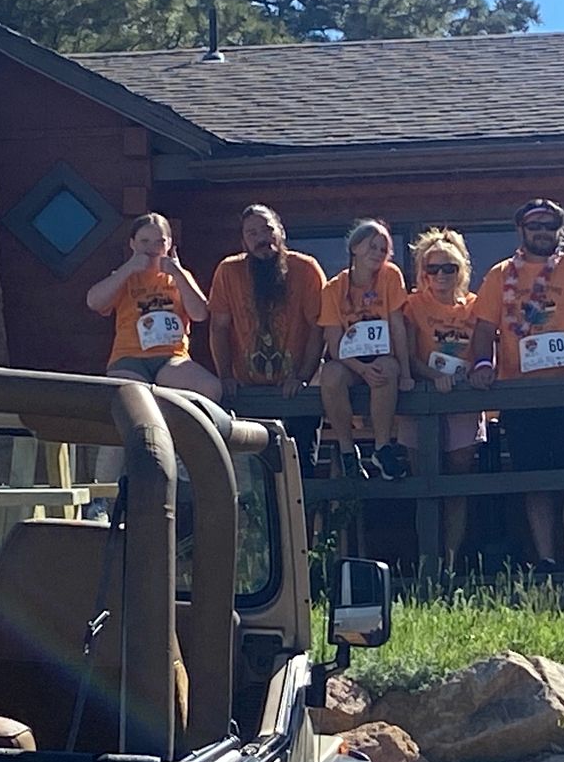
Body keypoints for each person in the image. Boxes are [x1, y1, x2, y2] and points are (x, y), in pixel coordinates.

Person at [469, 198, 564, 570]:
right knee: (535, 484)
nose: (543, 232)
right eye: (536, 226)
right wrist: (483, 364)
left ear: (559, 232)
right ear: (522, 231)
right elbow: (484, 328)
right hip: (523, 396)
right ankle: (548, 558)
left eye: (550, 226)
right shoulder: (500, 275)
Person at [208, 204, 326, 475]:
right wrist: (225, 375)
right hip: (249, 392)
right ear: (243, 241)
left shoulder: (306, 269)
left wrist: (304, 377)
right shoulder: (228, 271)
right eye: (252, 233)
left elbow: (318, 327)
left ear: (281, 232)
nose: (261, 238)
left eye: (267, 229)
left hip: (297, 388)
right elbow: (219, 327)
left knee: (301, 468)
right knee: (255, 473)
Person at [400, 227, 486, 562]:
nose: (440, 275)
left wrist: (478, 371)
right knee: (424, 482)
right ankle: (427, 559)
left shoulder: (476, 306)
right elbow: (407, 357)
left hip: (462, 401)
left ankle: (450, 559)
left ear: (462, 269)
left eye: (448, 268)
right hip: (424, 400)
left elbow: (483, 353)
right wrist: (433, 376)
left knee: (457, 484)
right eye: (432, 269)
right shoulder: (410, 306)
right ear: (422, 273)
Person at [85, 211, 221, 401]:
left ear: (169, 244)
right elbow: (94, 301)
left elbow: (200, 314)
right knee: (132, 398)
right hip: (128, 358)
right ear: (133, 243)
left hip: (171, 358)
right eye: (145, 241)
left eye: (159, 242)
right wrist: (128, 268)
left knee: (210, 388)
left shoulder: (179, 276)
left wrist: (178, 273)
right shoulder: (124, 276)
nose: (152, 248)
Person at [318, 219, 413, 481]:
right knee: (330, 375)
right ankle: (347, 451)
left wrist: (405, 373)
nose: (378, 254)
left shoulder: (390, 276)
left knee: (387, 368)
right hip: (349, 361)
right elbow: (334, 343)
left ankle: (382, 448)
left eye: (383, 250)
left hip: (382, 355)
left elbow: (397, 326)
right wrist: (361, 368)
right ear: (355, 248)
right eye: (372, 247)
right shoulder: (333, 289)